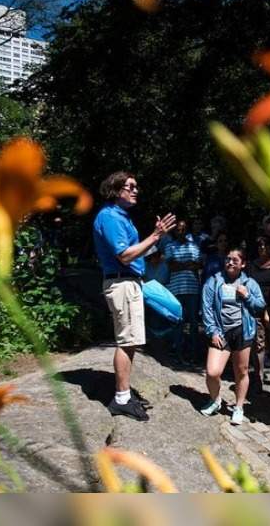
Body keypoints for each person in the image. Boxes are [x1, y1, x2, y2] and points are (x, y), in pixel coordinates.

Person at [92, 171, 176, 421]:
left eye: (136, 186)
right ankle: (121, 398)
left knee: (131, 341)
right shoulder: (109, 217)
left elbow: (136, 253)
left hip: (130, 282)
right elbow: (125, 256)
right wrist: (155, 236)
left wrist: (156, 240)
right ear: (116, 190)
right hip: (122, 283)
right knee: (126, 341)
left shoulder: (122, 217)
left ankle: (124, 394)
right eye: (130, 186)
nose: (135, 190)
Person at [200, 248, 265, 425]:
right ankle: (215, 400)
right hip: (221, 332)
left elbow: (260, 306)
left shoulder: (250, 283)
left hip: (243, 332)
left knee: (241, 371)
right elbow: (206, 308)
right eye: (228, 259)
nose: (230, 262)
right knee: (213, 372)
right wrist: (212, 331)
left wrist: (247, 296)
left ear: (243, 264)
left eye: (235, 260)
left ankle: (238, 407)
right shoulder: (214, 281)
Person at [246, 236, 270, 393]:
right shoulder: (251, 265)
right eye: (260, 245)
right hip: (256, 307)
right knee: (258, 344)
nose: (262, 247)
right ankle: (258, 377)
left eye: (265, 244)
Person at [165, 219, 204, 365]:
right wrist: (188, 265)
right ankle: (178, 354)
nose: (180, 232)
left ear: (186, 230)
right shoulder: (170, 246)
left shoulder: (194, 246)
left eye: (183, 229)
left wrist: (182, 264)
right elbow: (172, 266)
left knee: (194, 323)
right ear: (175, 231)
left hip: (192, 289)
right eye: (178, 229)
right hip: (176, 289)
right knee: (178, 322)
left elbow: (199, 264)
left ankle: (194, 355)